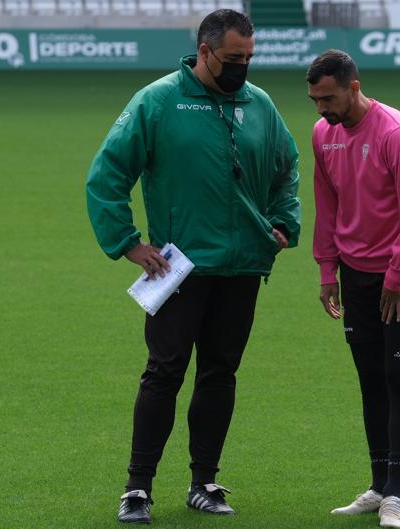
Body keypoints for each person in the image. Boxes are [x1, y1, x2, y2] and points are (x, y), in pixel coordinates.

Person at [86, 9, 300, 524]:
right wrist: (128, 243)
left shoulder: (259, 103)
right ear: (204, 52)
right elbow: (107, 174)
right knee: (163, 373)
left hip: (242, 266)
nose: (242, 67)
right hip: (178, 270)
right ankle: (137, 488)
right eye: (233, 58)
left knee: (220, 374)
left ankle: (204, 482)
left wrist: (282, 222)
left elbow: (286, 167)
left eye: (249, 57)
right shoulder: (158, 101)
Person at [307, 49, 400, 529]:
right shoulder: (324, 134)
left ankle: (395, 497)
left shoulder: (396, 133)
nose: (322, 109)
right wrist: (328, 270)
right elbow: (327, 205)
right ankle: (378, 485)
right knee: (370, 381)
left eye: (329, 98)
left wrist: (396, 276)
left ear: (354, 87)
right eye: (315, 100)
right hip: (356, 277)